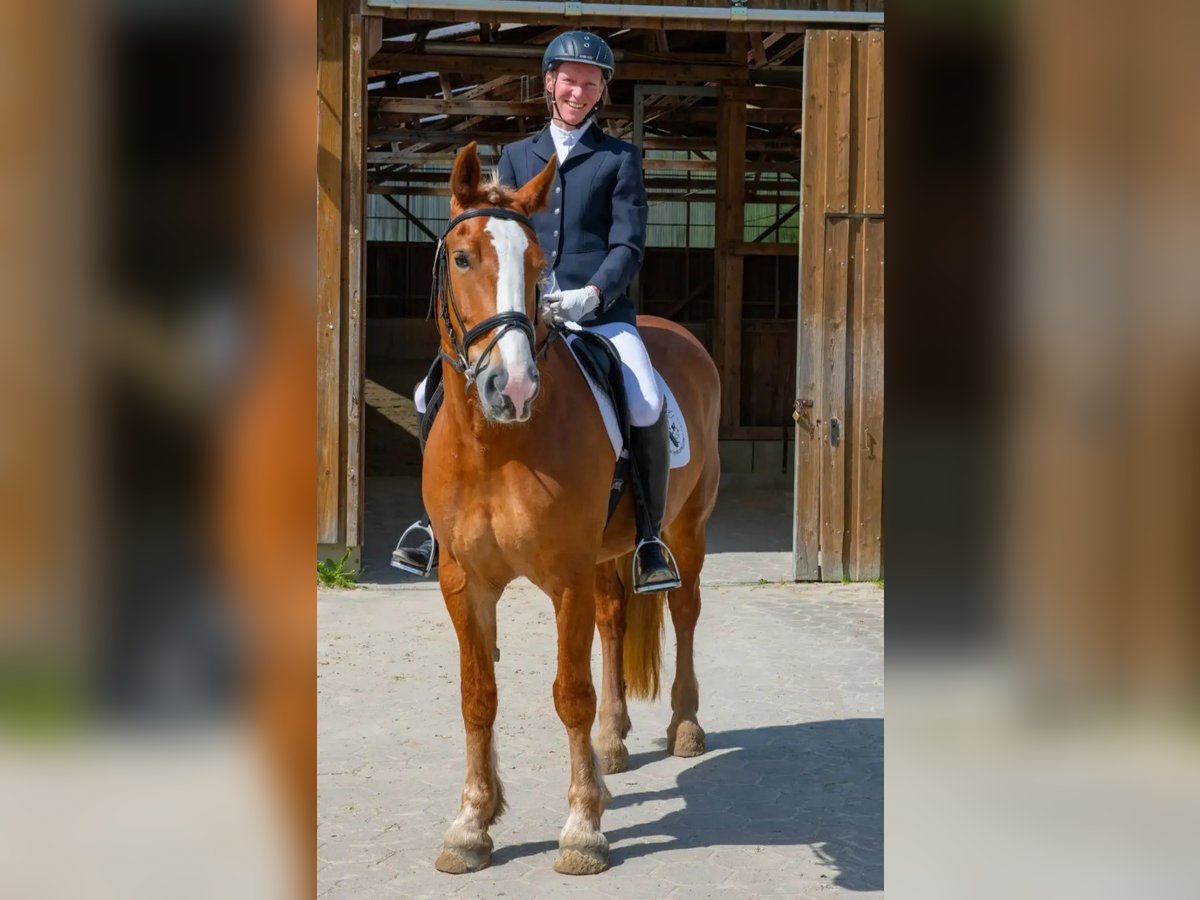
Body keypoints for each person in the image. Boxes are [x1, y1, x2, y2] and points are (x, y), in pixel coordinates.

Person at [392, 30, 682, 594]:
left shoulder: (620, 159)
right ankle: (432, 523)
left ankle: (648, 537)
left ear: (602, 93)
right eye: (569, 80)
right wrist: (521, 298)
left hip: (598, 312)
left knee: (646, 397)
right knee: (430, 393)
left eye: (590, 83)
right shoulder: (519, 156)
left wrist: (592, 294)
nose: (579, 91)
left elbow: (629, 246)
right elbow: (502, 238)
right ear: (550, 83)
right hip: (523, 312)